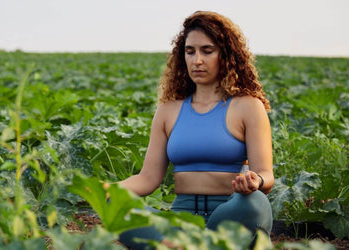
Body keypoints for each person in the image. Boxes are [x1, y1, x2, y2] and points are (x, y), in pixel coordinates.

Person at [116, 10, 274, 249]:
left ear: (226, 55)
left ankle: (178, 246)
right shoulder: (167, 111)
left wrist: (255, 181)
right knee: (123, 211)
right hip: (181, 220)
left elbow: (267, 175)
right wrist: (108, 191)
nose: (197, 60)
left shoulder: (249, 107)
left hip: (231, 213)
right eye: (190, 52)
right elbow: (147, 179)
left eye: (207, 51)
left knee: (254, 203)